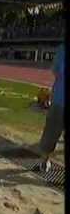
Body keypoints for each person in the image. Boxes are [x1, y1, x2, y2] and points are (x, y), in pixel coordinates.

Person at [38, 43, 65, 172]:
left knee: (50, 134)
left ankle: (45, 159)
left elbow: (55, 71)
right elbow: (55, 71)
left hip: (59, 99)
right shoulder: (62, 49)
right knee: (51, 134)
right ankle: (45, 160)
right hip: (60, 101)